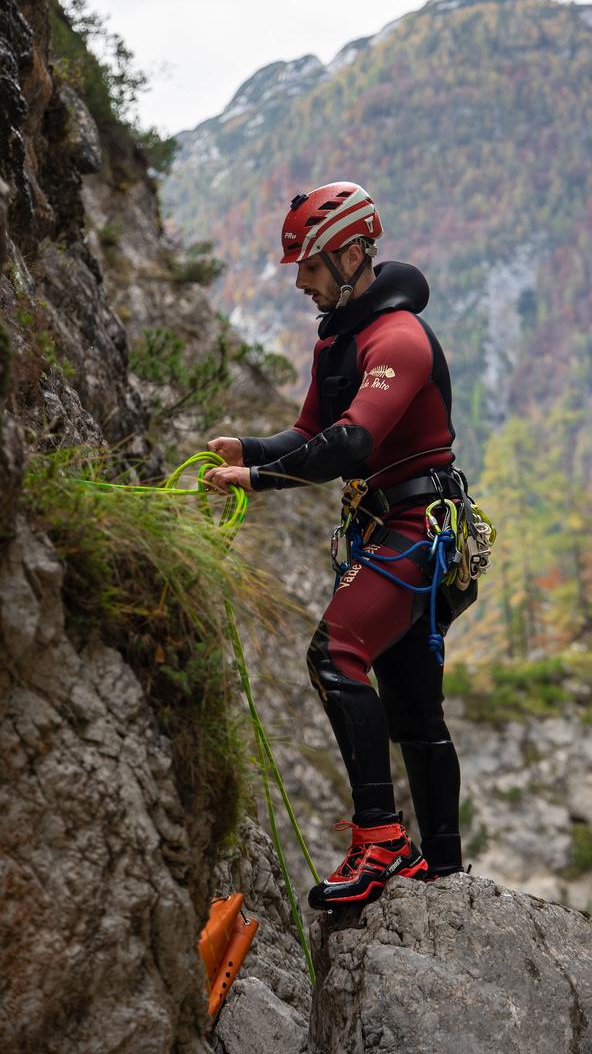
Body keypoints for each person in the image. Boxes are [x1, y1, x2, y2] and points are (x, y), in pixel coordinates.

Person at [205, 181, 473, 910]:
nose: (300, 281)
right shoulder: (340, 340)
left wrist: (258, 479)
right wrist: (252, 449)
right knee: (413, 707)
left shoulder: (398, 339)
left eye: (312, 266)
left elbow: (352, 444)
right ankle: (443, 872)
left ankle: (380, 840)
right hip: (398, 531)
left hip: (417, 531)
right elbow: (310, 432)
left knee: (334, 655)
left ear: (354, 252)